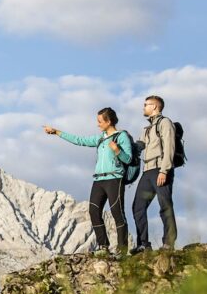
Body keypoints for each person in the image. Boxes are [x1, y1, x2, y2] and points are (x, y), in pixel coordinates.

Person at [43, 108, 132, 256]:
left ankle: (122, 250)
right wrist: (57, 132)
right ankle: (103, 246)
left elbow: (128, 159)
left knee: (117, 212)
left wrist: (117, 150)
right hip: (98, 180)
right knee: (94, 211)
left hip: (114, 179)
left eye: (100, 121)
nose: (97, 124)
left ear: (108, 121)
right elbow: (80, 141)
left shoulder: (122, 137)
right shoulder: (101, 138)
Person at [131, 95, 178, 253]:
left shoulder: (165, 123)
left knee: (165, 205)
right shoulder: (147, 128)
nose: (143, 107)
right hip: (147, 171)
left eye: (146, 105)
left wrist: (164, 170)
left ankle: (168, 243)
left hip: (160, 169)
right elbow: (139, 146)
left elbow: (169, 147)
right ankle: (144, 244)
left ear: (155, 107)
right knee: (138, 207)